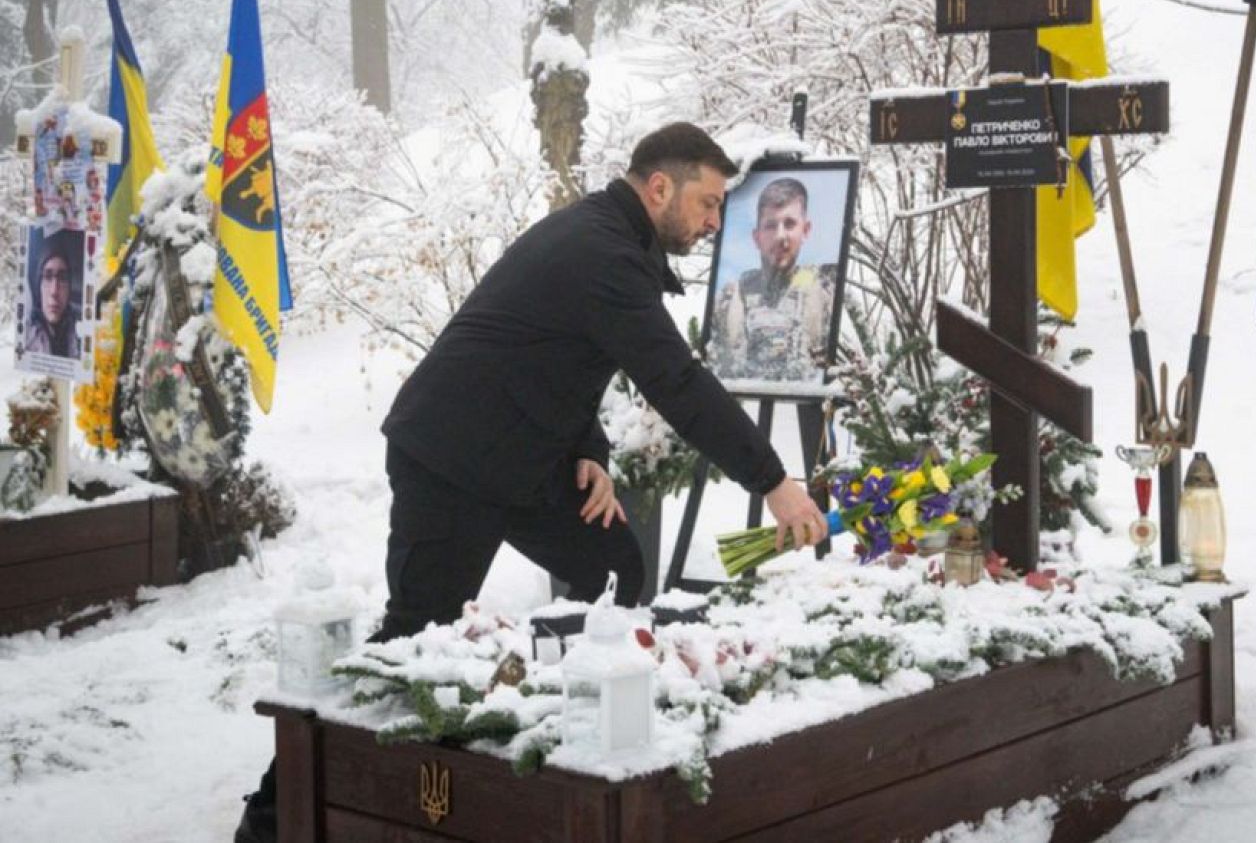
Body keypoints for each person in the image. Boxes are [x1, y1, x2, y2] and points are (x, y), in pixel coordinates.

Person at [235, 122, 829, 843]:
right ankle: (272, 815)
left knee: (611, 563)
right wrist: (772, 481)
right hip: (449, 459)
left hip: (520, 458)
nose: (714, 221)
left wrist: (590, 447)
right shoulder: (601, 252)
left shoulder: (607, 241)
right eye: (707, 202)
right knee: (409, 639)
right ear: (659, 186)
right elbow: (674, 379)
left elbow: (559, 348)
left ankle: (560, 736)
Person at [710, 177, 836, 381]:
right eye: (770, 225)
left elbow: (851, 376)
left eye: (790, 224)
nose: (780, 236)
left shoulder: (823, 296)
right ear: (756, 237)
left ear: (805, 231)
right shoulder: (730, 301)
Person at [23, 230, 80, 358]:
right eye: (48, 277)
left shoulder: (80, 337)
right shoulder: (26, 338)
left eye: (63, 278)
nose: (54, 291)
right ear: (38, 285)